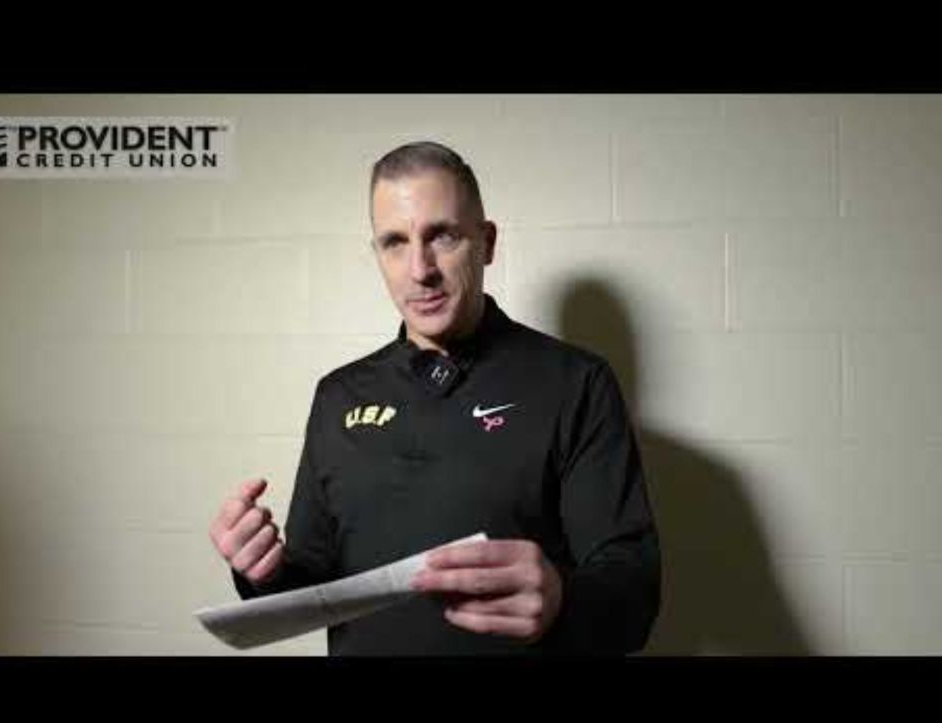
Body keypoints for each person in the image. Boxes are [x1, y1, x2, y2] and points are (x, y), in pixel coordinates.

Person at [207, 141, 660, 655]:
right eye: (395, 242)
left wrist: (563, 602)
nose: (419, 269)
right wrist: (260, 570)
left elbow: (636, 593)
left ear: (486, 242)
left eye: (442, 236)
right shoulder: (338, 394)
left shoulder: (576, 383)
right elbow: (310, 584)